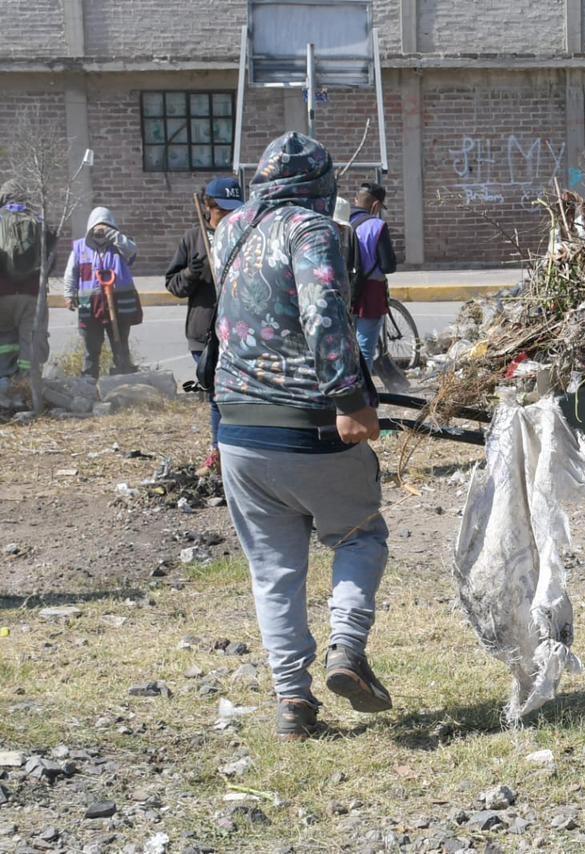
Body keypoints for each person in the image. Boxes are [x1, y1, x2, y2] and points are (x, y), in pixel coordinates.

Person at [213, 132, 389, 741]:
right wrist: (349, 401)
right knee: (360, 533)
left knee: (274, 571)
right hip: (308, 422)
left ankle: (293, 702)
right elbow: (322, 316)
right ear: (323, 184)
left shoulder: (228, 229)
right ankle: (346, 649)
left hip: (237, 426)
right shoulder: (311, 230)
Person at [164, 177, 243, 474]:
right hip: (205, 334)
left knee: (238, 397)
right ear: (209, 207)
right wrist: (191, 273)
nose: (230, 216)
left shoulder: (244, 235)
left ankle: (238, 455)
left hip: (239, 331)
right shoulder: (193, 239)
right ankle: (218, 454)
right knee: (217, 397)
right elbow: (174, 285)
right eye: (224, 210)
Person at [63, 207, 140, 379]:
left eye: (105, 227)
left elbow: (132, 251)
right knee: (91, 347)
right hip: (90, 307)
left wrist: (112, 234)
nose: (101, 233)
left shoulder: (121, 244)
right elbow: (71, 272)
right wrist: (69, 294)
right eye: (97, 228)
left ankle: (124, 377)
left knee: (120, 345)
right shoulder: (80, 247)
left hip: (119, 305)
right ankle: (89, 380)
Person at [0, 180, 56, 399]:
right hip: (32, 294)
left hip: (1, 293)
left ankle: (4, 380)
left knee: (3, 339)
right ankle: (27, 385)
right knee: (30, 340)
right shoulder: (37, 221)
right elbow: (51, 261)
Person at [348, 183, 397, 366]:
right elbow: (387, 266)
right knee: (365, 350)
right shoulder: (377, 226)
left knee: (346, 346)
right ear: (376, 206)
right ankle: (362, 392)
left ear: (355, 200)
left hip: (342, 290)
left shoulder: (339, 223)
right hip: (370, 293)